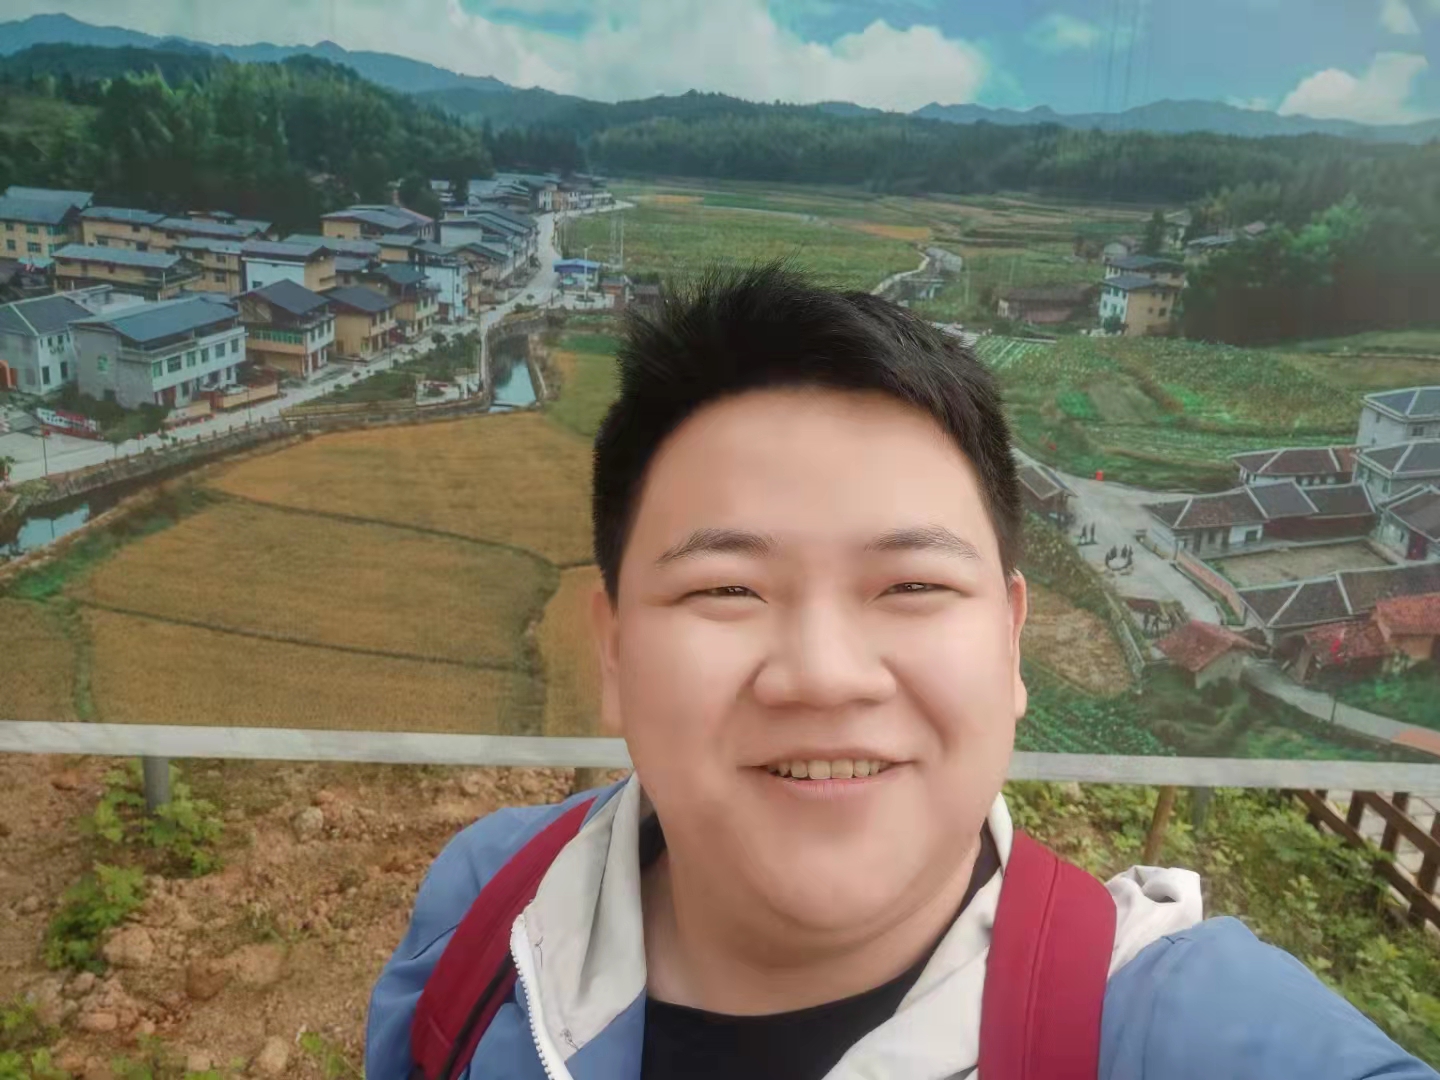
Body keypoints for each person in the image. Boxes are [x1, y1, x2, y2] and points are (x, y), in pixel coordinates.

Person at [366, 265, 1436, 1080]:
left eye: (913, 586)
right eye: (728, 589)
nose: (824, 676)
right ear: (612, 650)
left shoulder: (1177, 1032)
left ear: (1009, 643)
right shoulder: (490, 911)